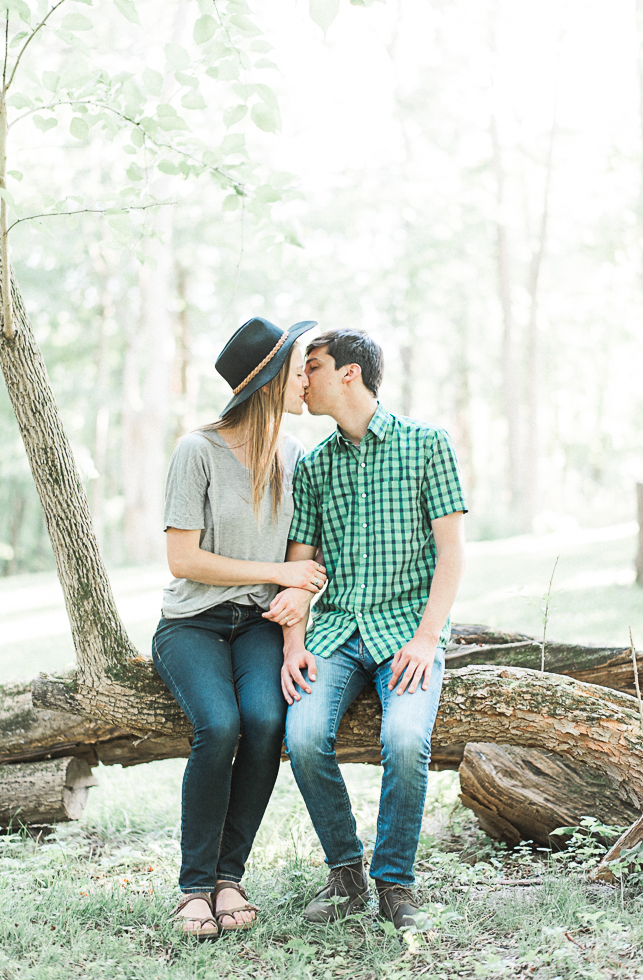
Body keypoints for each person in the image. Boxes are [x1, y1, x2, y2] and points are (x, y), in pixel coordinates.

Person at [272, 328, 467, 930]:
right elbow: (300, 570)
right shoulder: (314, 465)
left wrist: (429, 637)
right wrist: (292, 645)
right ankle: (346, 872)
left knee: (405, 741)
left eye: (314, 366)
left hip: (407, 632)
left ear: (349, 374)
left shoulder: (427, 445)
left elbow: (453, 552)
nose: (303, 380)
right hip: (333, 634)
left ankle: (395, 883)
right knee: (302, 738)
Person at [152, 316, 326, 938]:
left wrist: (305, 588)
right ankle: (194, 886)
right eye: (299, 368)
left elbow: (308, 561)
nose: (307, 378)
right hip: (192, 623)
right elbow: (182, 559)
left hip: (257, 625)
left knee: (264, 721)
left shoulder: (294, 455)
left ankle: (230, 877)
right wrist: (279, 571)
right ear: (269, 380)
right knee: (219, 724)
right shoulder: (197, 450)